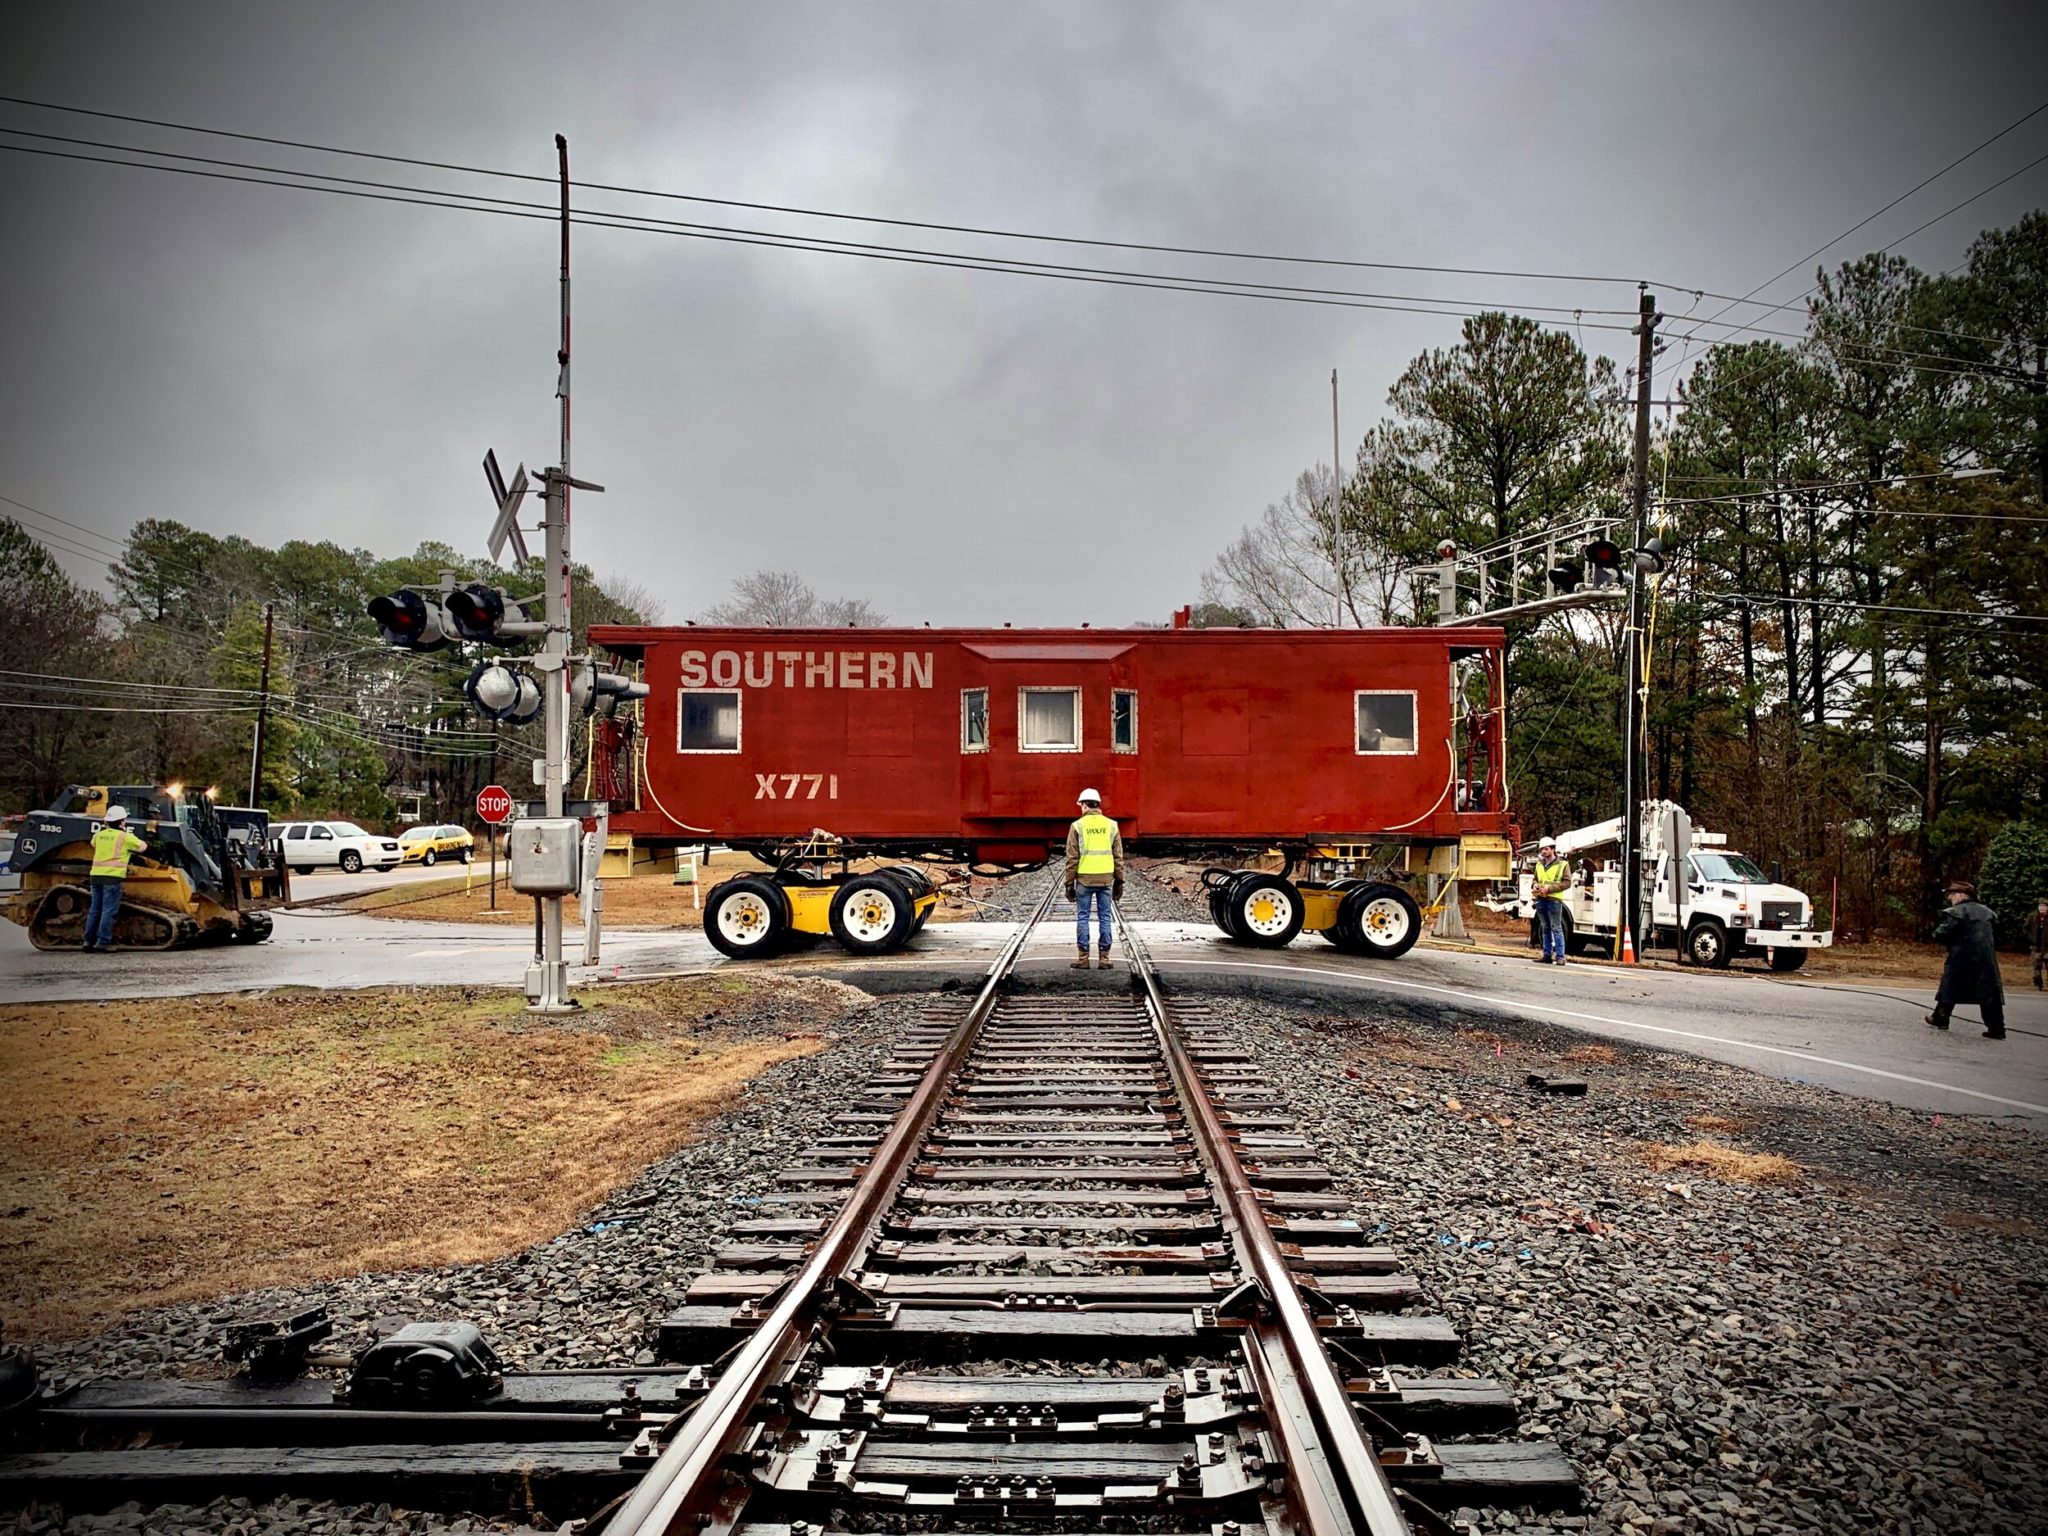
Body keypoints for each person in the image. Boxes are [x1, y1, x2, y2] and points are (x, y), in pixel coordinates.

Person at [1926, 879, 2005, 1039]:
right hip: (1986, 960)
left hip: (1962, 957)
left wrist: (1942, 937)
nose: (1950, 898)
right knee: (1989, 993)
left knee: (1949, 988)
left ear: (1962, 895)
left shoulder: (1957, 912)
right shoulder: (1988, 913)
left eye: (1952, 894)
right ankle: (1997, 1028)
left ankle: (1941, 1018)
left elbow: (1941, 934)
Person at [1063, 788, 1125, 970]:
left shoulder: (1077, 826)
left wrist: (1068, 884)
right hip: (1106, 880)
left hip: (1084, 880)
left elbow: (1072, 858)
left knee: (1083, 917)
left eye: (1080, 805)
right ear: (1098, 805)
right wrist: (1120, 882)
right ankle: (1104, 959)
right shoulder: (1112, 825)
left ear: (1084, 805)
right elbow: (1118, 856)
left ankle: (1083, 958)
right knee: (1105, 917)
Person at [84, 804, 147, 953]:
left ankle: (88, 941)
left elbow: (93, 844)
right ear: (122, 821)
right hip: (112, 878)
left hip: (96, 876)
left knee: (94, 910)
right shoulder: (124, 837)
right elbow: (143, 847)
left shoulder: (98, 835)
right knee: (108, 911)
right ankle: (103, 942)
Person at [1530, 836, 1570, 965]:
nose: (1543, 852)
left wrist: (1550, 889)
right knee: (1545, 927)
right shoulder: (1539, 864)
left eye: (1546, 849)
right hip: (1541, 899)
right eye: (1542, 849)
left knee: (1556, 928)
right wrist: (1535, 885)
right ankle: (1547, 954)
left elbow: (1567, 883)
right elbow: (1535, 879)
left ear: (1553, 849)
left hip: (1554, 900)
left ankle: (1560, 956)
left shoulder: (1563, 864)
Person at [2029, 896, 2047, 992]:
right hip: (2036, 946)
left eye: (2044, 906)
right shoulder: (2032, 916)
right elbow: (2026, 928)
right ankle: (2038, 983)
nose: (2041, 908)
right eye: (2040, 905)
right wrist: (2031, 937)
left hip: (2047, 947)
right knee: (2036, 967)